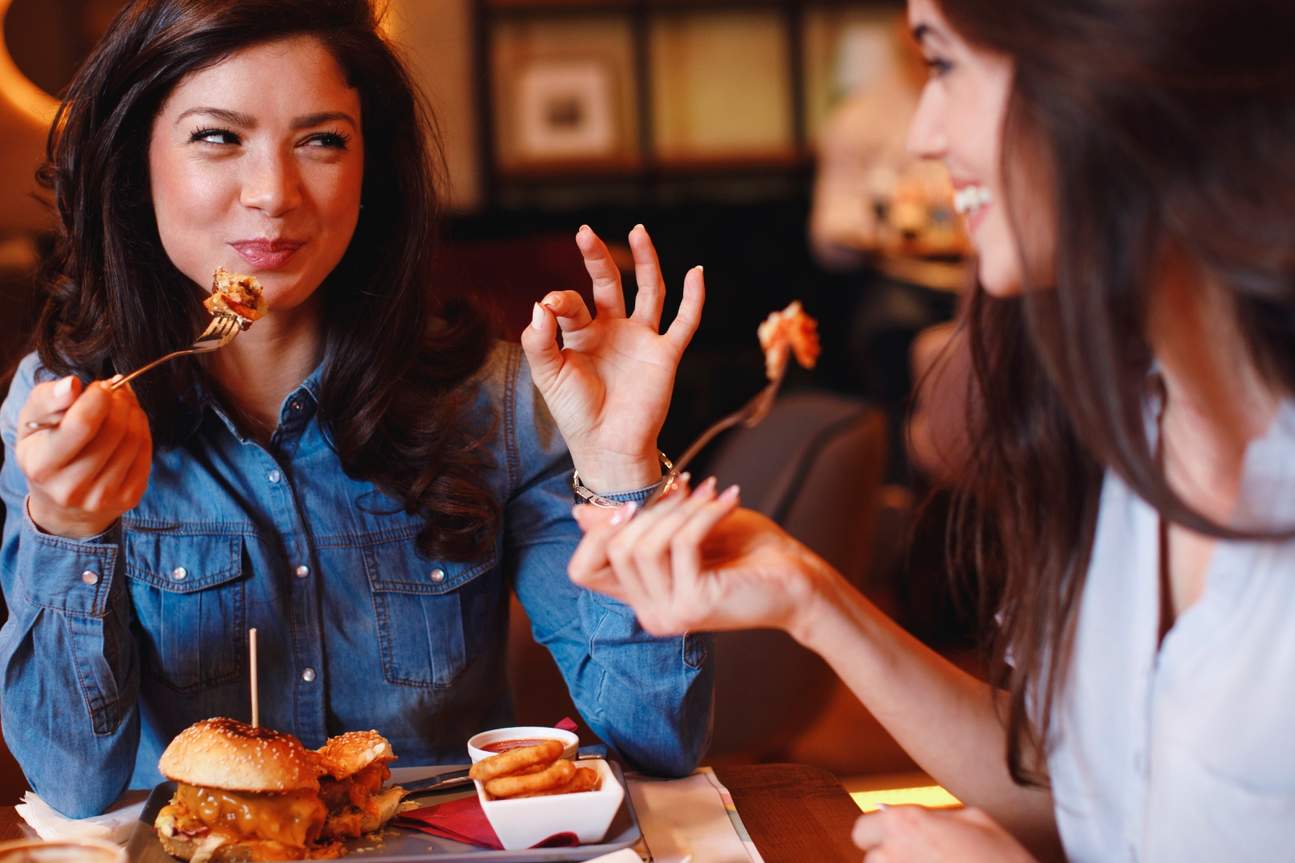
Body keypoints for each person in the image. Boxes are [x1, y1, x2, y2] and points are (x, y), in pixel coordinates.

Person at [570, 0, 1295, 860]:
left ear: (1111, 68)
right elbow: (1092, 799)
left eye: (943, 64)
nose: (921, 133)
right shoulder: (1133, 432)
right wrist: (811, 598)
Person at [0, 0, 712, 818]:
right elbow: (70, 781)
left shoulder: (496, 401)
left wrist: (619, 468)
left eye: (321, 140)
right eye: (218, 137)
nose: (273, 193)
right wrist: (66, 525)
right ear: (137, 162)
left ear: (372, 168)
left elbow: (657, 741)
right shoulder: (67, 414)